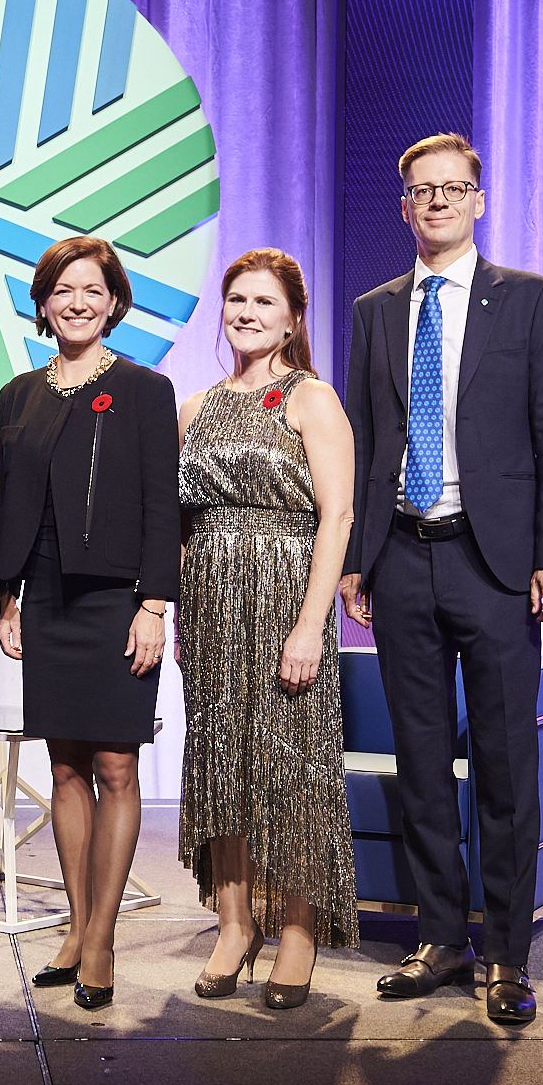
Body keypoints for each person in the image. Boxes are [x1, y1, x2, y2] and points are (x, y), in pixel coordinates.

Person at [337, 133, 543, 1025]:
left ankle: (508, 953)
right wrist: (359, 558)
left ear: (479, 200)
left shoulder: (529, 301)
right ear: (402, 207)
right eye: (420, 191)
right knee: (420, 762)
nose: (437, 202)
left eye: (453, 189)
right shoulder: (373, 310)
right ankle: (441, 938)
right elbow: (364, 444)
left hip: (497, 565)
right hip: (403, 555)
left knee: (508, 764)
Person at [0, 237, 178, 1011]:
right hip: (48, 602)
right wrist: (7, 599)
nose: (76, 302)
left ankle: (101, 938)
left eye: (91, 290)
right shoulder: (18, 393)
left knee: (116, 769)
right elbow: (12, 508)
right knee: (64, 769)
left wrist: (154, 605)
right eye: (63, 289)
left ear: (113, 302)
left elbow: (163, 502)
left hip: (117, 603)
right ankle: (75, 927)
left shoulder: (144, 388)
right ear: (43, 301)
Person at [177, 249, 357, 1009]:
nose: (246, 313)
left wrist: (311, 623)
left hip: (288, 597)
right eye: (236, 300)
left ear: (292, 316)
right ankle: (234, 924)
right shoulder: (195, 406)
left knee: (295, 768)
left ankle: (298, 935)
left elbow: (337, 516)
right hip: (210, 603)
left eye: (263, 302)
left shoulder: (312, 399)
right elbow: (181, 524)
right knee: (222, 763)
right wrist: (179, 612)